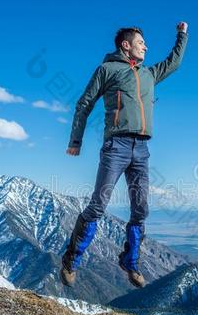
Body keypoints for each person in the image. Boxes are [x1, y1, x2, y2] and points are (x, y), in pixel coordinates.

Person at [60, 21, 189, 288]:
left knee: (140, 210)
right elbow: (84, 103)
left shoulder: (149, 74)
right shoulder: (107, 70)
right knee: (97, 206)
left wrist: (181, 35)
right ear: (126, 45)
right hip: (115, 147)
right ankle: (71, 260)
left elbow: (174, 62)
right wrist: (76, 139)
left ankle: (129, 263)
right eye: (141, 43)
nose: (146, 47)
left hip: (141, 149)